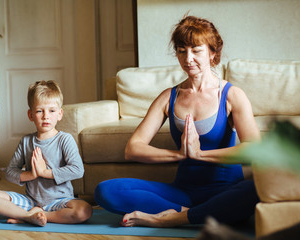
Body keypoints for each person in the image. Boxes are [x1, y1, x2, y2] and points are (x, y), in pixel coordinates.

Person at [94, 15, 261, 227]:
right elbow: (133, 148)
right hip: (183, 192)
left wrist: (200, 154)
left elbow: (254, 150)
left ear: (212, 53)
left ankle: (175, 218)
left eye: (196, 50)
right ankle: (193, 214)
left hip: (226, 190)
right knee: (106, 191)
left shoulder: (231, 95)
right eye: (182, 51)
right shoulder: (168, 97)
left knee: (255, 188)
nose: (188, 58)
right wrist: (179, 154)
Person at [0, 80, 92, 226]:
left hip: (60, 201)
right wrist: (31, 175)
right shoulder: (26, 141)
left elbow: (78, 170)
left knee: (84, 211)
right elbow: (9, 172)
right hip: (30, 201)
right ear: (31, 115)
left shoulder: (65, 139)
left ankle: (40, 215)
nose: (46, 116)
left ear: (60, 114)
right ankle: (28, 215)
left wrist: (44, 172)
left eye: (52, 111)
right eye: (40, 111)